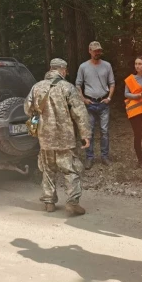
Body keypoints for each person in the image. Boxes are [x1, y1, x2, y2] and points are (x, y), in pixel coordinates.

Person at [25, 58, 92, 216]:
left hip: (45, 137)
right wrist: (85, 134)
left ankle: (49, 202)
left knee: (48, 170)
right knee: (71, 170)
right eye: (65, 70)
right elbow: (80, 113)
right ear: (62, 70)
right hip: (64, 138)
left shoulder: (36, 87)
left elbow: (28, 109)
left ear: (50, 69)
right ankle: (73, 203)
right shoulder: (67, 88)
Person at [76, 41, 115, 169]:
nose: (97, 53)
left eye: (99, 50)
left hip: (103, 102)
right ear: (89, 51)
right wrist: (83, 99)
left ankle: (104, 157)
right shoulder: (83, 67)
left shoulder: (107, 65)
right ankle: (89, 158)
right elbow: (78, 85)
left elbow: (112, 83)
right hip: (90, 103)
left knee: (104, 131)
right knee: (89, 132)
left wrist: (109, 97)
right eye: (95, 50)